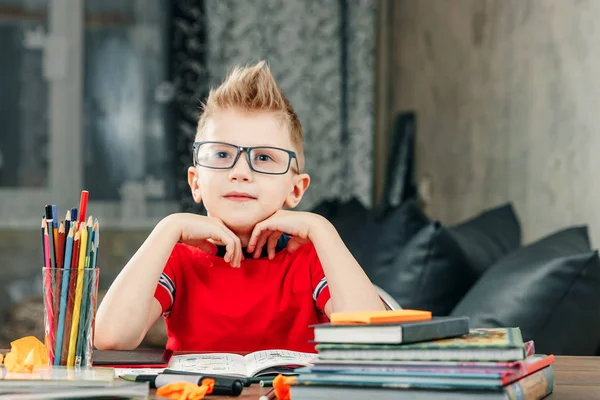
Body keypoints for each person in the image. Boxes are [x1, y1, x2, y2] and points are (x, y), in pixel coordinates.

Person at [95, 61, 385, 353]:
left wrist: (322, 229)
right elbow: (110, 338)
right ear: (196, 183)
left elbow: (373, 339)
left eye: (263, 158)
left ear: (295, 189)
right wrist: (167, 228)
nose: (240, 172)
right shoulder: (178, 258)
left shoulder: (311, 257)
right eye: (221, 154)